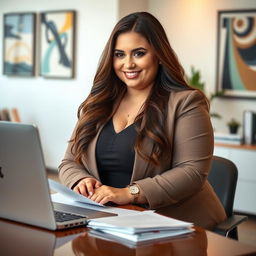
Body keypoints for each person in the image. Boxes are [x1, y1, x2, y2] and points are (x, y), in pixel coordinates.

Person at [59, 12, 226, 229]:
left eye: (139, 53)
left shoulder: (186, 102)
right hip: (110, 220)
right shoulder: (98, 103)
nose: (128, 64)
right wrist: (80, 180)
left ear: (158, 54)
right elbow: (69, 162)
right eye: (119, 54)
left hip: (174, 223)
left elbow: (192, 172)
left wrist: (130, 193)